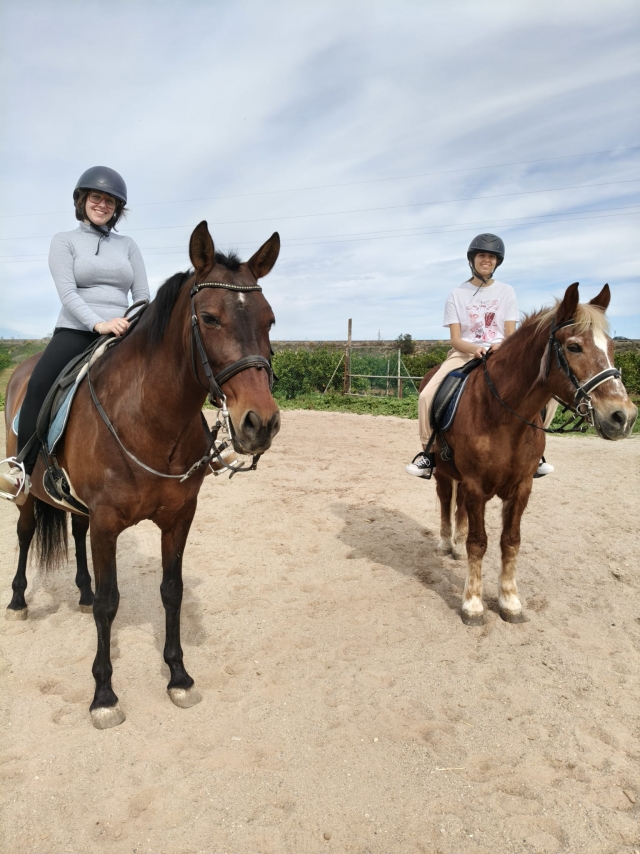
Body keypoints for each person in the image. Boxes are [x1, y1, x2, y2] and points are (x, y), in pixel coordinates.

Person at [0, 166, 150, 501]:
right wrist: (99, 324)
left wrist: (133, 324)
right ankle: (20, 469)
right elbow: (68, 293)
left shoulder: (128, 245)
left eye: (111, 201)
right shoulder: (64, 241)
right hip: (77, 330)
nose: (103, 204)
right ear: (82, 201)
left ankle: (207, 450)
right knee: (38, 384)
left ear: (117, 209)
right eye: (96, 197)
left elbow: (142, 295)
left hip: (124, 331)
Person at [405, 233, 555, 479]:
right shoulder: (457, 294)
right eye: (482, 256)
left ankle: (536, 451)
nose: (487, 260)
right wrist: (473, 348)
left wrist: (500, 347)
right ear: (472, 260)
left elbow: (510, 333)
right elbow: (454, 338)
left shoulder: (507, 292)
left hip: (501, 355)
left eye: (492, 257)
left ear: (497, 262)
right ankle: (428, 453)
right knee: (426, 395)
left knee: (548, 395)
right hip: (464, 353)